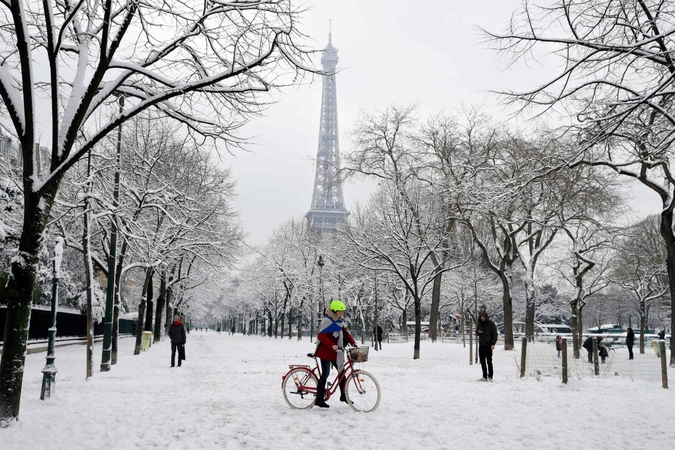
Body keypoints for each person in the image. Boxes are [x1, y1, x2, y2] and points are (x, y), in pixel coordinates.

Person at [314, 300, 357, 408]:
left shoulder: (339, 322)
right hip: (325, 351)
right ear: (334, 311)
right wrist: (331, 345)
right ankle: (319, 399)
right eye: (339, 311)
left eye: (342, 312)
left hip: (336, 352)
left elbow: (346, 333)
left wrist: (353, 343)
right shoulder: (326, 321)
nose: (341, 313)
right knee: (325, 374)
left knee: (342, 372)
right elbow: (321, 336)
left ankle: (344, 395)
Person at [475, 311, 498, 382]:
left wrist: (493, 343)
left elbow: (494, 334)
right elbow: (476, 332)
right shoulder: (479, 324)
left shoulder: (491, 324)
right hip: (481, 344)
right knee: (482, 361)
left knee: (489, 361)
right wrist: (478, 332)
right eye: (481, 317)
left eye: (483, 317)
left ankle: (490, 376)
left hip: (488, 345)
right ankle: (484, 376)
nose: (482, 318)